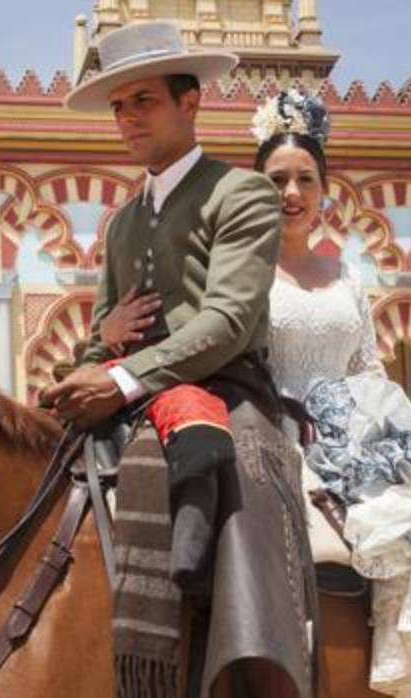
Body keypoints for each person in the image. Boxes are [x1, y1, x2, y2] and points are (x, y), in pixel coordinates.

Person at [102, 90, 411, 698]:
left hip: (360, 427)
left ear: (325, 191)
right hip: (282, 425)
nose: (290, 193)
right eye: (276, 180)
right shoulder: (240, 272)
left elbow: (368, 366)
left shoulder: (345, 275)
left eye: (304, 179)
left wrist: (398, 434)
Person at [44, 21, 312, 698]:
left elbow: (227, 323)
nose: (127, 118)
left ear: (190, 102)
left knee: (246, 501)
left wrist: (121, 377)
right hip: (130, 396)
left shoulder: (241, 194)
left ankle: (258, 677)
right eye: (118, 106)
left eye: (144, 100)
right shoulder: (122, 223)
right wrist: (100, 346)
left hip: (226, 393)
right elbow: (101, 339)